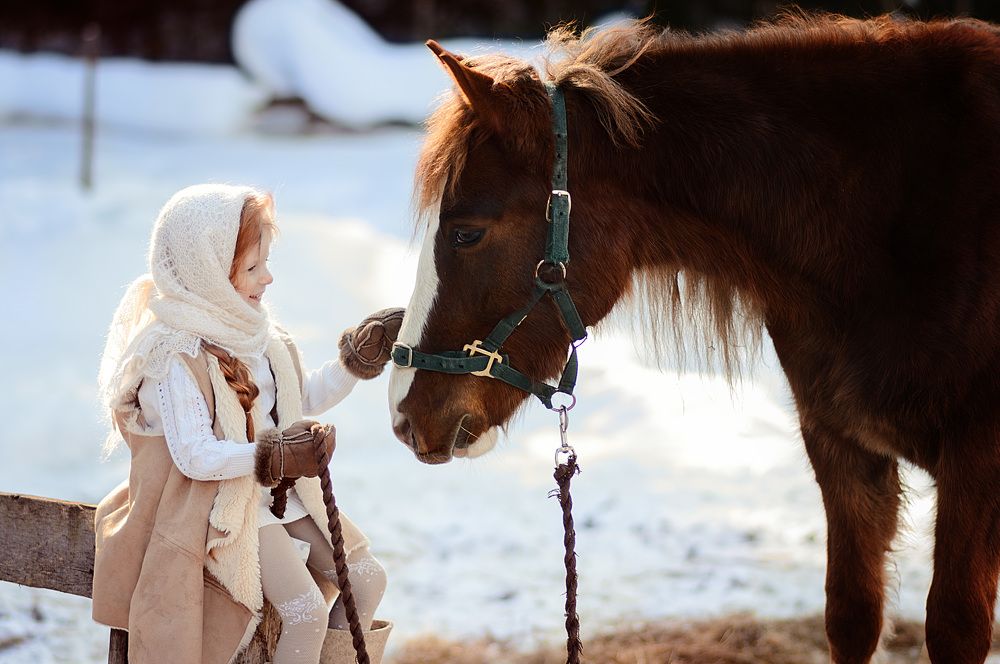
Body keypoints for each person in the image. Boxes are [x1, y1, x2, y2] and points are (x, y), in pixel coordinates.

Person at [92, 183, 403, 664]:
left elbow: (300, 399)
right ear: (209, 273)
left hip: (277, 495)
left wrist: (354, 363)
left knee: (367, 578)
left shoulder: (259, 334)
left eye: (266, 263)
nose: (269, 278)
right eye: (254, 268)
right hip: (222, 506)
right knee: (304, 611)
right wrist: (270, 455)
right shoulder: (175, 354)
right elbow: (194, 455)